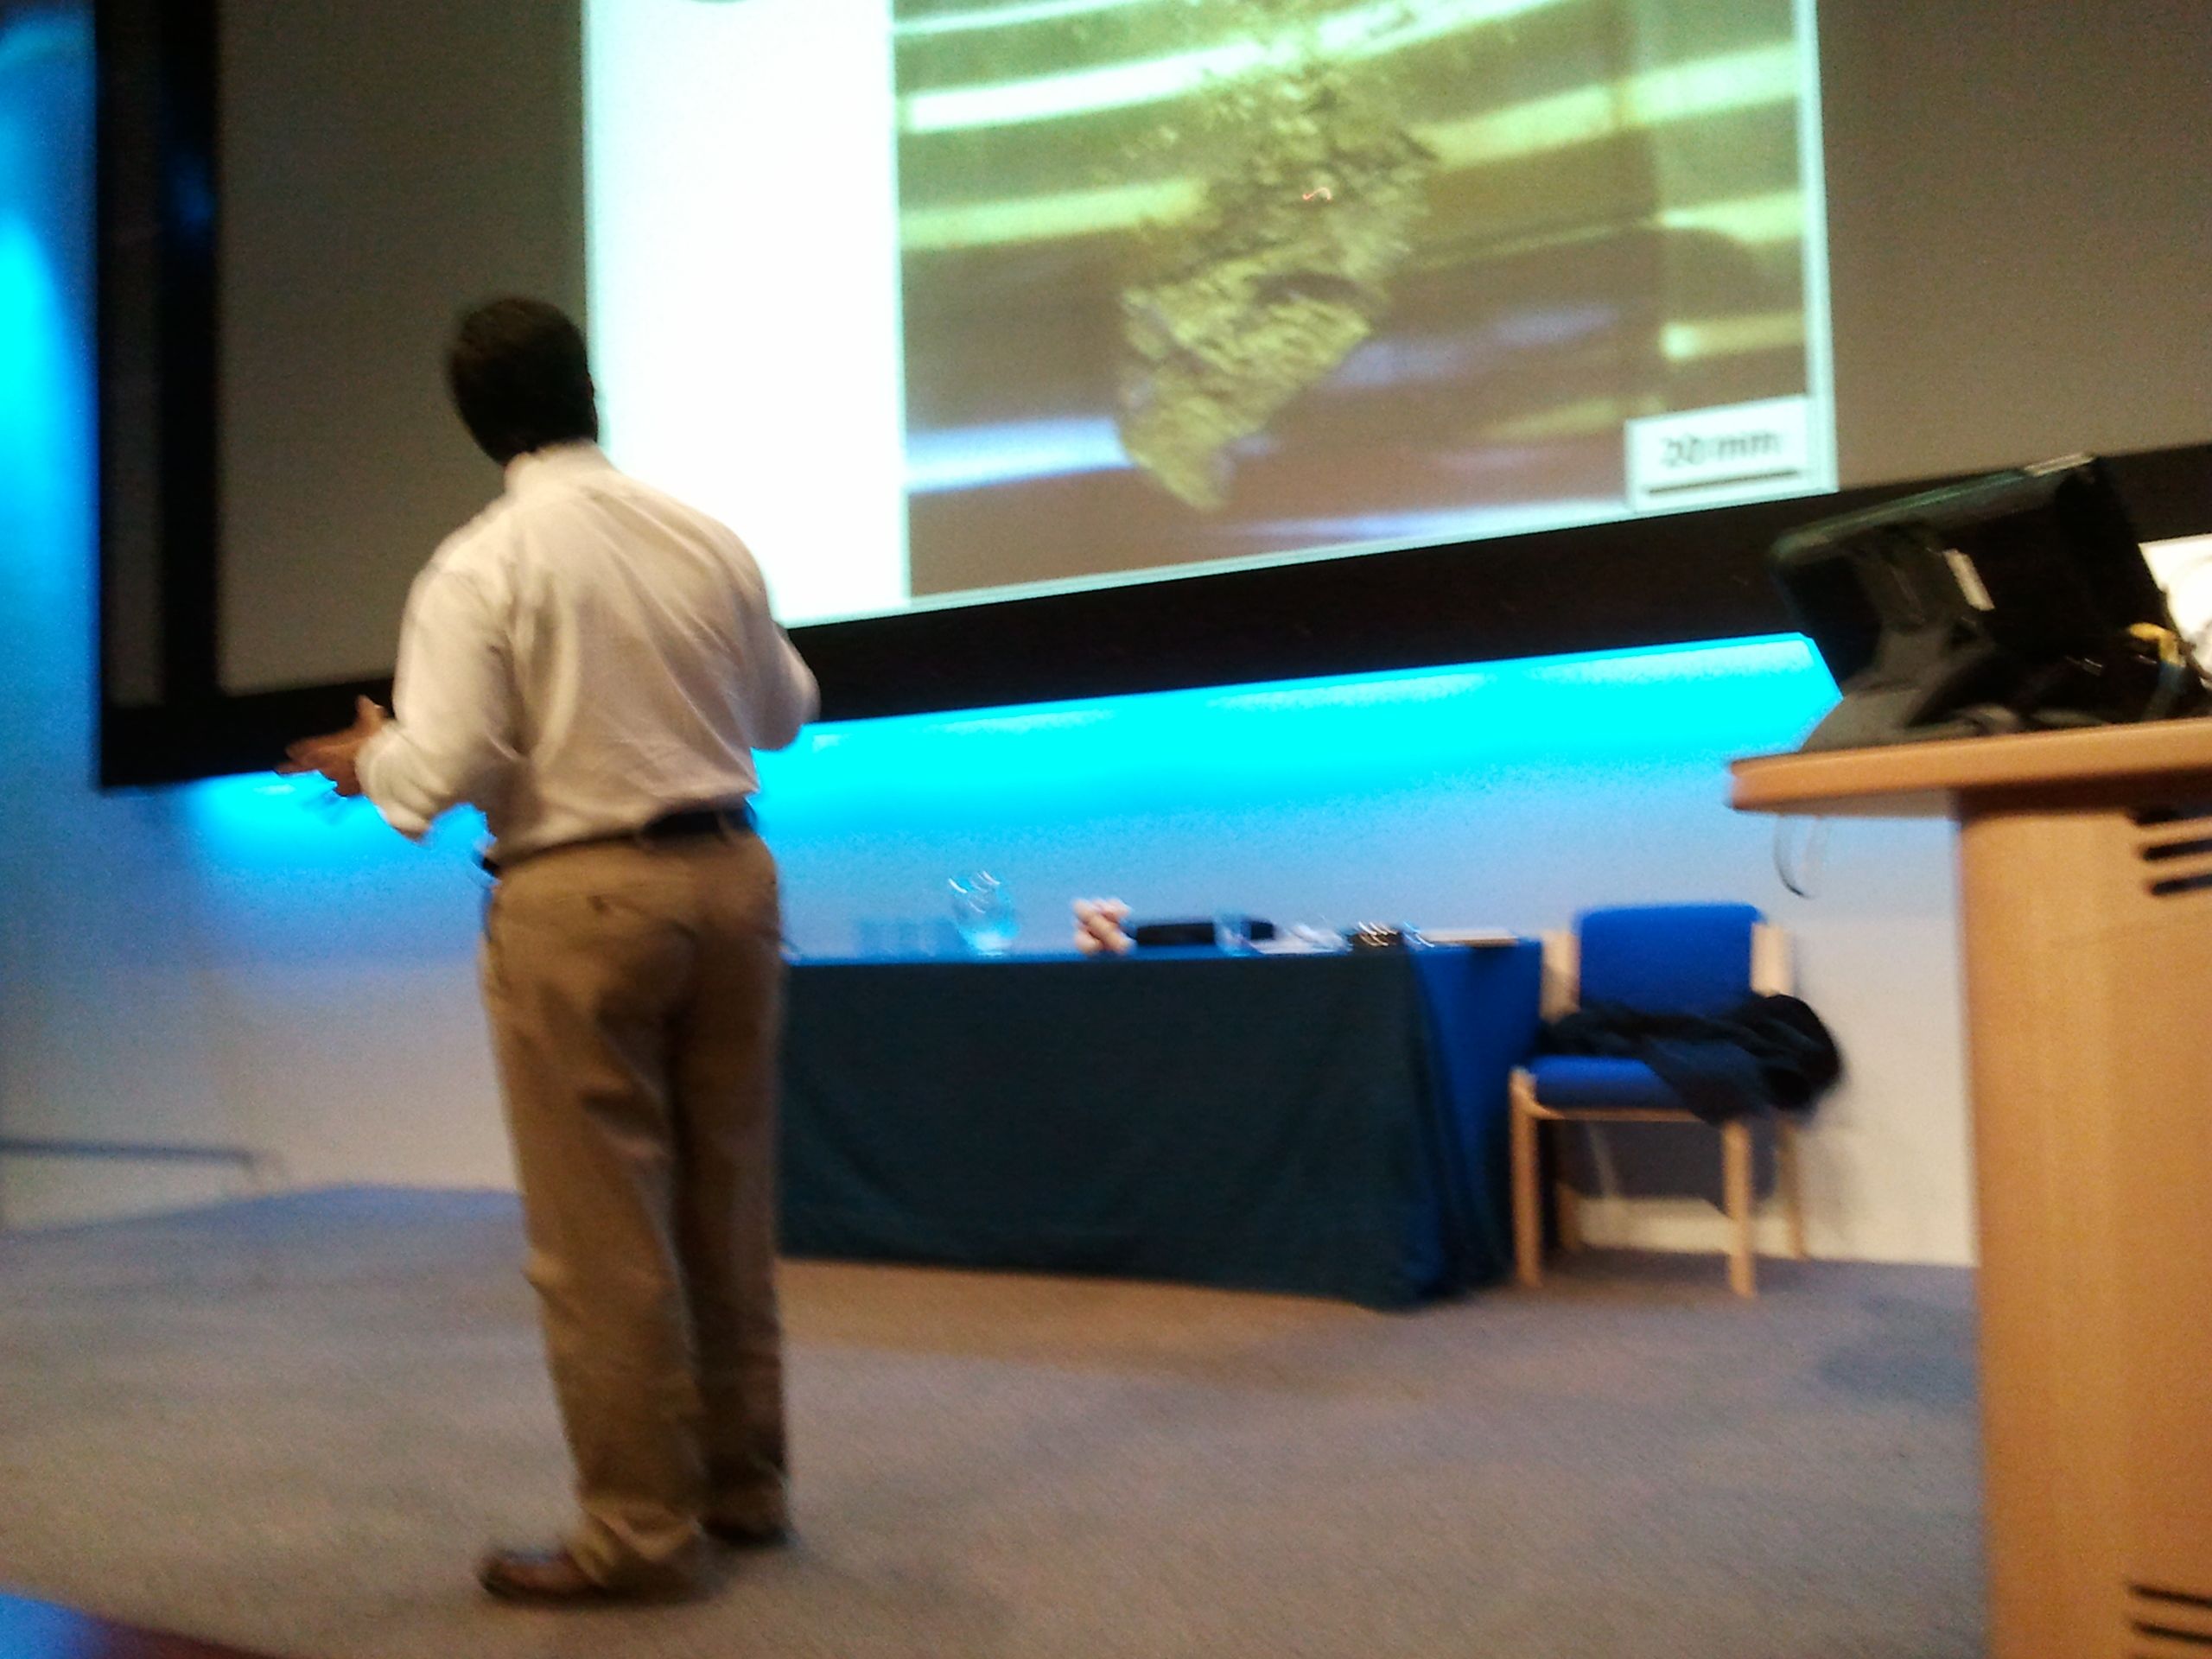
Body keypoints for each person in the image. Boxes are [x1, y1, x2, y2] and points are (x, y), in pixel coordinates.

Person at [283, 296, 818, 1605]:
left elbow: (446, 766)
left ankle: (641, 1533)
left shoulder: (481, 563)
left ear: (478, 426)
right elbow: (784, 712)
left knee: (604, 1235)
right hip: (733, 878)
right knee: (726, 1202)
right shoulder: (703, 536)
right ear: (591, 392)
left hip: (579, 901)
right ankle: (745, 1490)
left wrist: (372, 757)